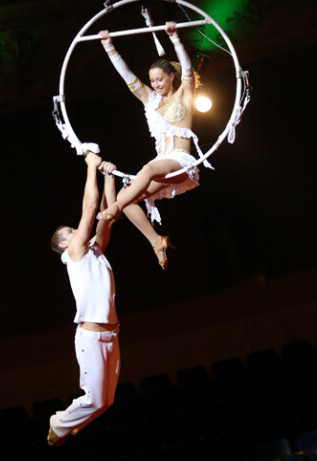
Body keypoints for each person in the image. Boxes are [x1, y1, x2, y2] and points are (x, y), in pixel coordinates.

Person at [97, 21, 205, 270]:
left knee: (144, 172)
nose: (155, 84)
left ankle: (111, 211)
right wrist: (108, 46)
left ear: (170, 76)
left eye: (159, 79)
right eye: (152, 81)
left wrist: (175, 38)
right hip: (161, 165)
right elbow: (128, 78)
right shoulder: (150, 100)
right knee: (130, 198)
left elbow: (188, 68)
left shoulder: (185, 96)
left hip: (179, 161)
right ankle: (156, 241)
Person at [48, 148, 121, 447]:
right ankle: (60, 423)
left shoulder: (94, 251)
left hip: (111, 335)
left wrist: (108, 177)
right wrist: (91, 167)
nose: (76, 230)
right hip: (91, 337)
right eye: (70, 231)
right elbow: (90, 210)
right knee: (94, 399)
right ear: (64, 244)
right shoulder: (75, 254)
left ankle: (68, 426)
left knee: (105, 402)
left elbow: (107, 216)